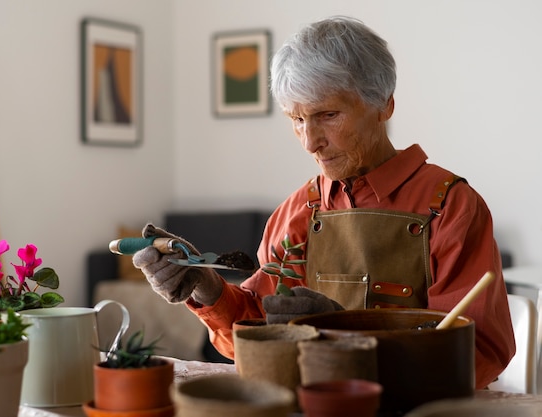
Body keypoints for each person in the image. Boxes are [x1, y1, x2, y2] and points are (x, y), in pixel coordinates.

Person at [133, 16, 515, 389]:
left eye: (327, 115)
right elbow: (259, 338)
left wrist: (340, 336)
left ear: (384, 105)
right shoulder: (297, 210)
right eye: (296, 119)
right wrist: (208, 288)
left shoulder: (450, 206)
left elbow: (479, 352)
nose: (309, 141)